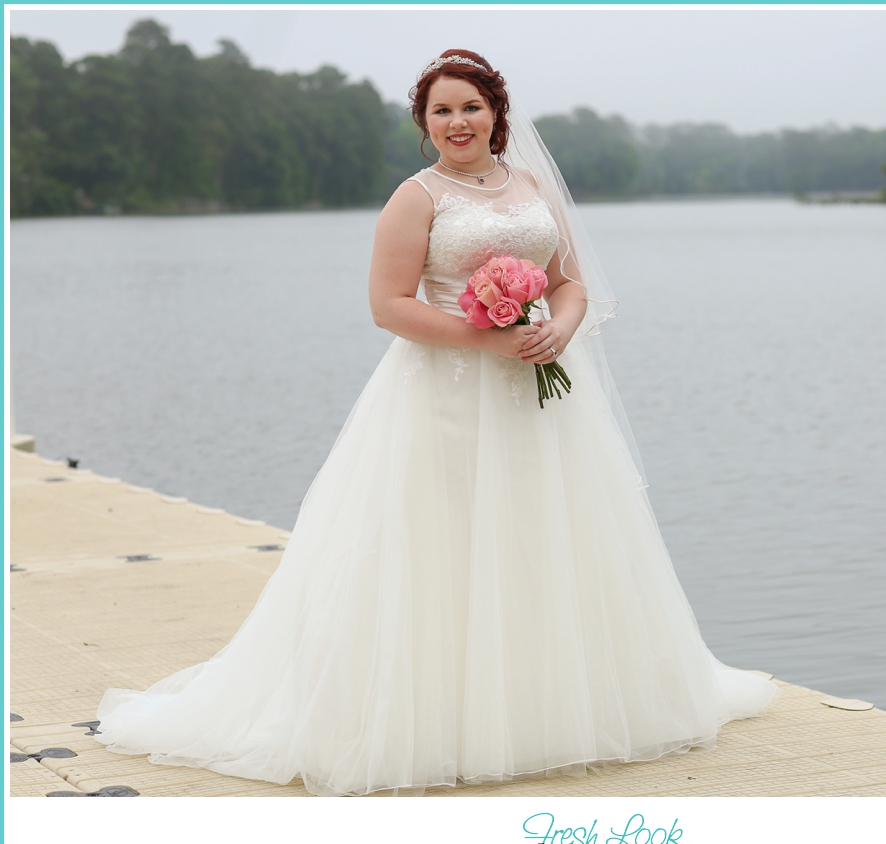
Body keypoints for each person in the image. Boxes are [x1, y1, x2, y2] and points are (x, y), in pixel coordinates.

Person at [94, 49, 777, 797]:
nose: (458, 122)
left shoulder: (534, 185)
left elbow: (570, 283)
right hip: (444, 393)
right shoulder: (416, 198)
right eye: (441, 110)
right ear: (425, 123)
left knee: (542, 534)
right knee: (444, 542)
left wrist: (561, 329)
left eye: (471, 107)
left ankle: (548, 709)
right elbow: (389, 305)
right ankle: (442, 718)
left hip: (541, 389)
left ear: (496, 114)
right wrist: (484, 334)